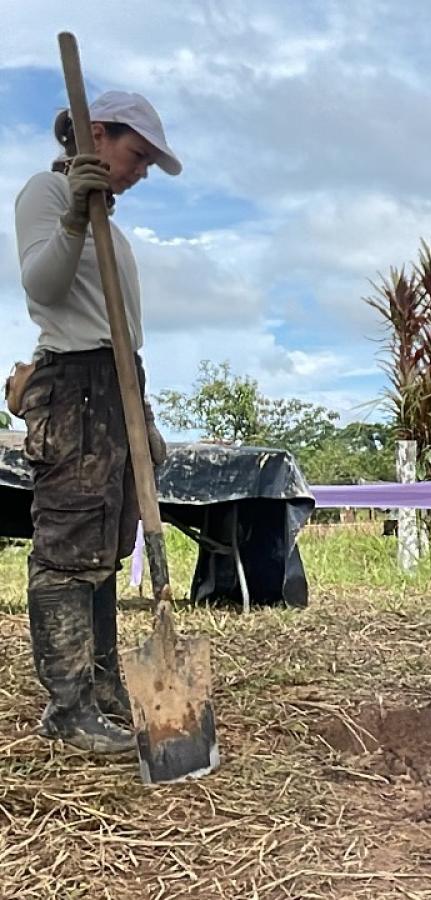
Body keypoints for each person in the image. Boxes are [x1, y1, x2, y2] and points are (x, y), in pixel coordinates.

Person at [13, 91, 177, 753]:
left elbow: (121, 333)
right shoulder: (44, 196)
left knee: (107, 548)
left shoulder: (114, 230)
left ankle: (104, 688)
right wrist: (76, 216)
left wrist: (143, 415)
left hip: (115, 388)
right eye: (135, 156)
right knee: (70, 550)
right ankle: (68, 707)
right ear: (95, 135)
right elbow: (42, 287)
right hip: (73, 389)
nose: (139, 173)